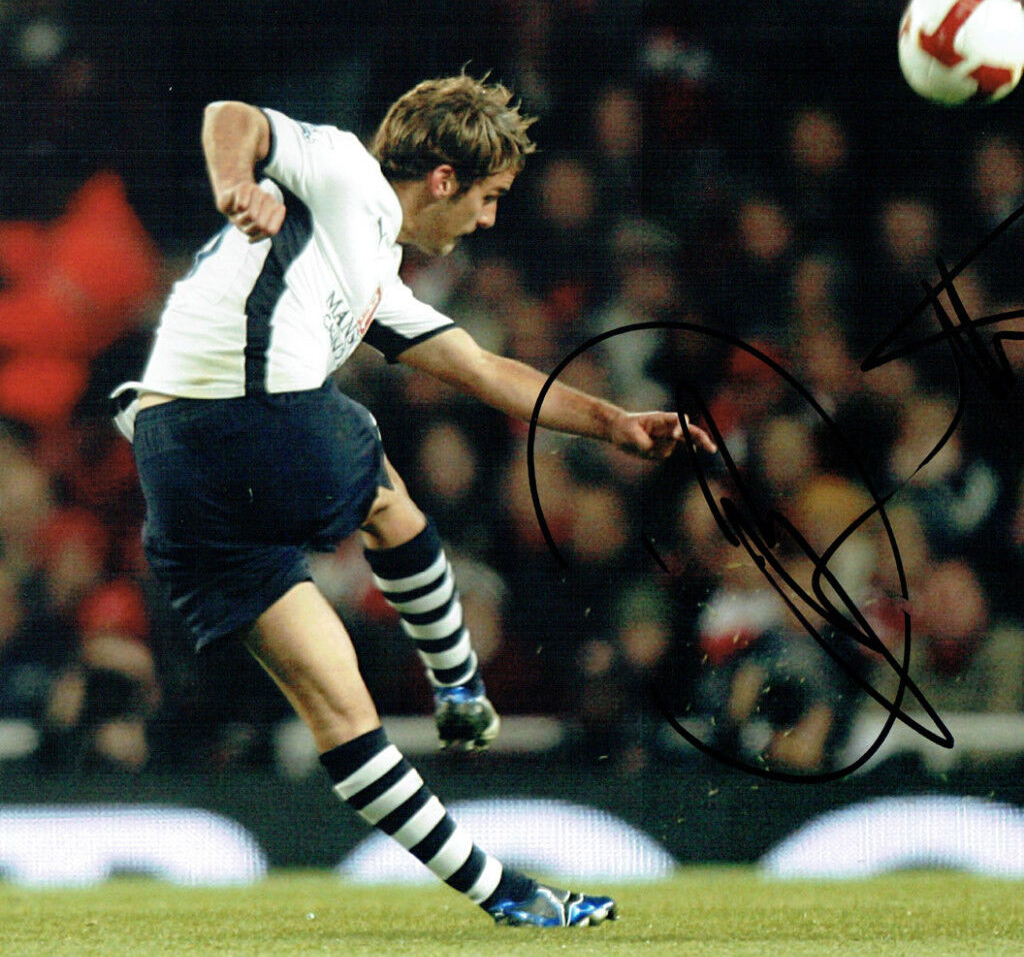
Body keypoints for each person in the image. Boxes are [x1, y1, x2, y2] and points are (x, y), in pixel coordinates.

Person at [114, 74, 713, 929]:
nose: (490, 219)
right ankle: (460, 683)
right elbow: (232, 116)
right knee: (376, 471)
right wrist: (234, 186)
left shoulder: (368, 279)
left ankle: (508, 896)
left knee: (342, 709)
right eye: (490, 196)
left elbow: (483, 368)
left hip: (175, 468)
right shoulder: (347, 175)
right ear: (442, 179)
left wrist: (612, 423)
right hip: (244, 420)